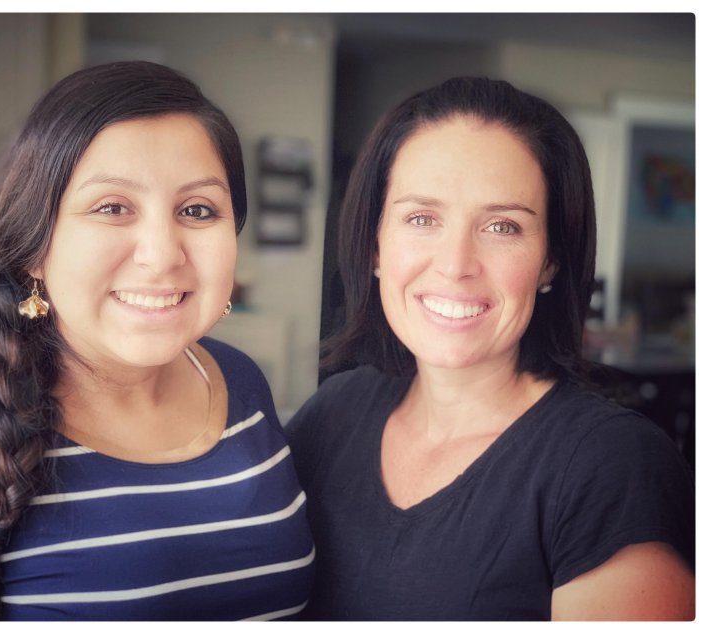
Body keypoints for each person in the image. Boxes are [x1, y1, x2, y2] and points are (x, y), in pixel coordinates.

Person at [0, 61, 314, 621]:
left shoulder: (240, 381)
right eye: (112, 208)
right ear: (34, 246)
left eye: (197, 210)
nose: (162, 255)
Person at [286, 77, 694, 620]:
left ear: (550, 261)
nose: (456, 264)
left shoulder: (612, 465)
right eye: (422, 218)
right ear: (375, 244)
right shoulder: (332, 413)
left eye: (502, 226)